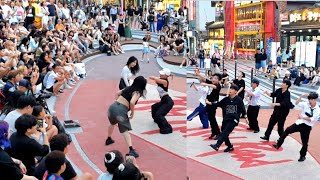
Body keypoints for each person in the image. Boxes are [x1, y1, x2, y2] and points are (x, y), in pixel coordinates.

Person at [105, 76, 147, 158]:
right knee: (125, 130)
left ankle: (108, 139)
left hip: (112, 107)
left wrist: (118, 104)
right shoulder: (137, 92)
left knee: (112, 123)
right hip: (120, 111)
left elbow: (117, 93)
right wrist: (132, 112)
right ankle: (131, 150)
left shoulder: (128, 88)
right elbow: (132, 102)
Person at [273, 92, 320, 162]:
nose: (310, 101)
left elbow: (311, 119)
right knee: (287, 130)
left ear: (315, 100)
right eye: (309, 99)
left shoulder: (317, 109)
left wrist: (302, 117)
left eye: (312, 99)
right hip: (299, 123)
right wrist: (301, 96)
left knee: (305, 143)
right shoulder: (306, 104)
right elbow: (296, 103)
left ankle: (302, 156)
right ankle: (278, 144)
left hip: (307, 126)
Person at [208, 84, 247, 152]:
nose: (230, 90)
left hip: (234, 119)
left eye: (232, 89)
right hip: (226, 118)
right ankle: (230, 146)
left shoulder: (239, 100)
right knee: (224, 132)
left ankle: (217, 145)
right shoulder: (226, 99)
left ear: (235, 91)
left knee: (226, 131)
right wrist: (210, 103)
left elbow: (243, 109)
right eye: (230, 89)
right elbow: (218, 104)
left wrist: (246, 117)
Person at [196, 70, 222, 139]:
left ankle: (218, 133)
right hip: (208, 103)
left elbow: (214, 87)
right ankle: (213, 132)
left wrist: (206, 84)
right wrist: (199, 74)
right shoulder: (211, 82)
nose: (214, 79)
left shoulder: (218, 86)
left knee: (213, 119)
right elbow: (205, 79)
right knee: (210, 118)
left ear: (219, 80)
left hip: (213, 104)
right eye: (213, 78)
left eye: (216, 78)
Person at [149, 68, 174, 134]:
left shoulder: (165, 81)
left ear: (166, 76)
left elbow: (155, 79)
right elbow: (154, 78)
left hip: (168, 102)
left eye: (162, 74)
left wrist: (154, 77)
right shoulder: (161, 80)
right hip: (163, 100)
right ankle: (157, 120)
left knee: (159, 114)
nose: (160, 74)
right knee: (154, 107)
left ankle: (167, 128)